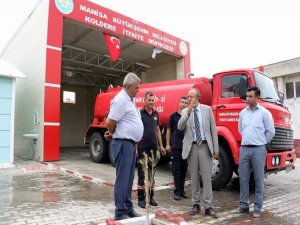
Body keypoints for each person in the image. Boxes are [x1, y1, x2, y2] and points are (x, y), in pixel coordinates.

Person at [105, 72, 144, 221]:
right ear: (128, 87)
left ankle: (128, 207)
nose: (138, 90)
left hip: (129, 144)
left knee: (129, 179)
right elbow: (110, 121)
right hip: (122, 143)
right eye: (136, 88)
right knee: (122, 179)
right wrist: (113, 133)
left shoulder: (129, 99)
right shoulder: (120, 99)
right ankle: (120, 212)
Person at [178, 88, 219, 218]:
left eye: (191, 97)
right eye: (188, 97)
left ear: (198, 97)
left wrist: (216, 149)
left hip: (205, 147)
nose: (189, 99)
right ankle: (196, 204)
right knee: (194, 177)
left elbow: (213, 130)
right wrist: (187, 113)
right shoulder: (185, 111)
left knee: (206, 178)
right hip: (192, 147)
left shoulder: (207, 110)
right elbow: (179, 127)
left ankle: (208, 206)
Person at [237, 86, 275, 218]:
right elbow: (240, 129)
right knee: (243, 178)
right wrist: (249, 139)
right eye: (246, 96)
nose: (247, 99)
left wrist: (260, 141)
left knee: (259, 179)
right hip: (245, 149)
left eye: (250, 97)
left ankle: (258, 207)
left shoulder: (264, 113)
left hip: (259, 149)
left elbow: (271, 131)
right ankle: (243, 206)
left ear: (257, 97)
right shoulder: (242, 113)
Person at [137, 91, 166, 208]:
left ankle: (151, 196)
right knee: (142, 174)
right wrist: (136, 147)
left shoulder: (156, 114)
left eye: (153, 100)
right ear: (144, 100)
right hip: (143, 148)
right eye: (149, 100)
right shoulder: (140, 113)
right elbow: (136, 130)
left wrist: (161, 146)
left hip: (154, 149)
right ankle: (141, 199)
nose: (151, 102)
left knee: (152, 174)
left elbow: (158, 130)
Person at [166, 96, 189, 201]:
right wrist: (167, 144)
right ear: (179, 103)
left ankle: (182, 190)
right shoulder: (173, 116)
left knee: (184, 170)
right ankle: (177, 192)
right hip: (176, 147)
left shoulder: (188, 116)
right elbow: (169, 131)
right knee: (176, 170)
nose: (184, 104)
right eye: (182, 102)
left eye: (185, 102)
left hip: (186, 147)